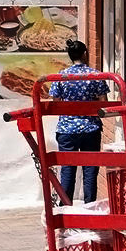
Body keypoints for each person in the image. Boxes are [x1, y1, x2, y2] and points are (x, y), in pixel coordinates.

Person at [49, 39, 110, 204]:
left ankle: (66, 207)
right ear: (85, 54)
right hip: (90, 129)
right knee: (90, 169)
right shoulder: (96, 76)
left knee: (67, 169)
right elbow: (103, 103)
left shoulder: (60, 77)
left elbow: (56, 104)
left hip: (67, 130)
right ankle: (89, 205)